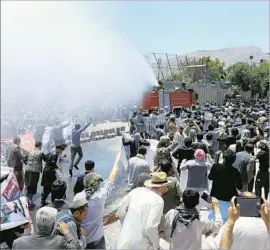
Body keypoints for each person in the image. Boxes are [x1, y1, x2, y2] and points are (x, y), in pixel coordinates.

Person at [115, 172, 170, 249]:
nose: (168, 188)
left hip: (123, 242)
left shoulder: (136, 191)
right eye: (167, 186)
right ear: (162, 187)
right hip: (141, 245)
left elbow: (120, 209)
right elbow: (150, 227)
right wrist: (156, 245)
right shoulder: (158, 201)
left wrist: (127, 225)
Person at [74, 158, 118, 249]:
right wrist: (117, 160)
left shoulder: (77, 197)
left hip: (82, 240)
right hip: (97, 239)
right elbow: (112, 177)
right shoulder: (101, 196)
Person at [12, 207, 81, 249]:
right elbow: (76, 247)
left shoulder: (18, 242)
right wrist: (66, 232)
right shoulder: (58, 241)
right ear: (54, 224)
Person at [24, 141, 46, 209]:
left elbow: (24, 159)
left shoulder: (30, 151)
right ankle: (30, 201)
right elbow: (45, 159)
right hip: (35, 171)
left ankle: (26, 200)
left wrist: (28, 165)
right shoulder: (40, 152)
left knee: (28, 184)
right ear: (40, 146)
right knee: (33, 185)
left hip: (28, 170)